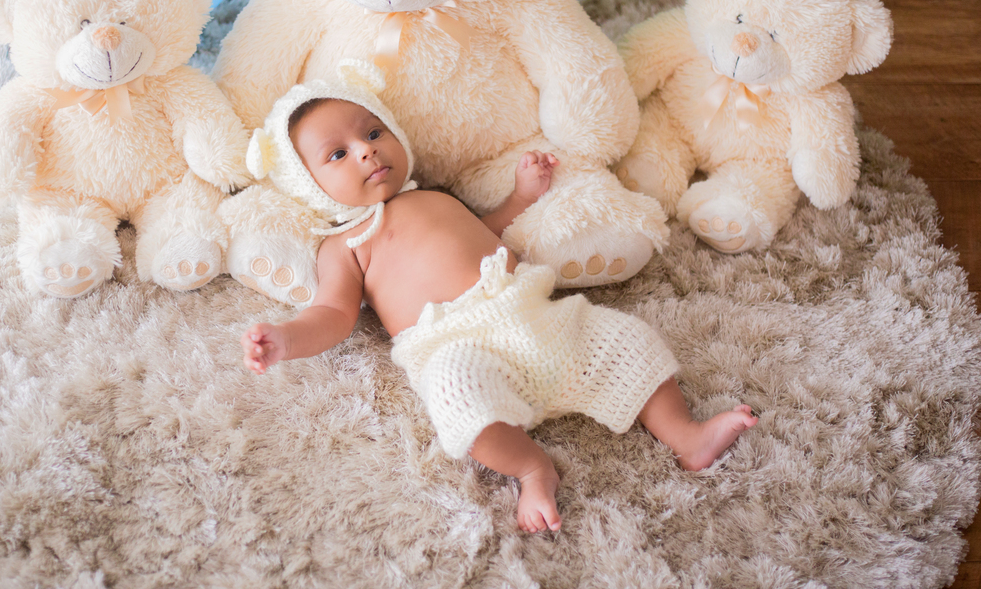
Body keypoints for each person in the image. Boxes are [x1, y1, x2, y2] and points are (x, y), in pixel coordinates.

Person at [240, 63, 757, 533]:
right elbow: (332, 313)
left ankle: (685, 435)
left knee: (627, 339)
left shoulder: (434, 197)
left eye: (373, 132)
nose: (367, 150)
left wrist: (521, 196)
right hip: (457, 345)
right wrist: (285, 338)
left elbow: (487, 233)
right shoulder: (346, 244)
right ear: (308, 185)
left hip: (532, 314)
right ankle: (532, 468)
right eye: (338, 153)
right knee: (454, 397)